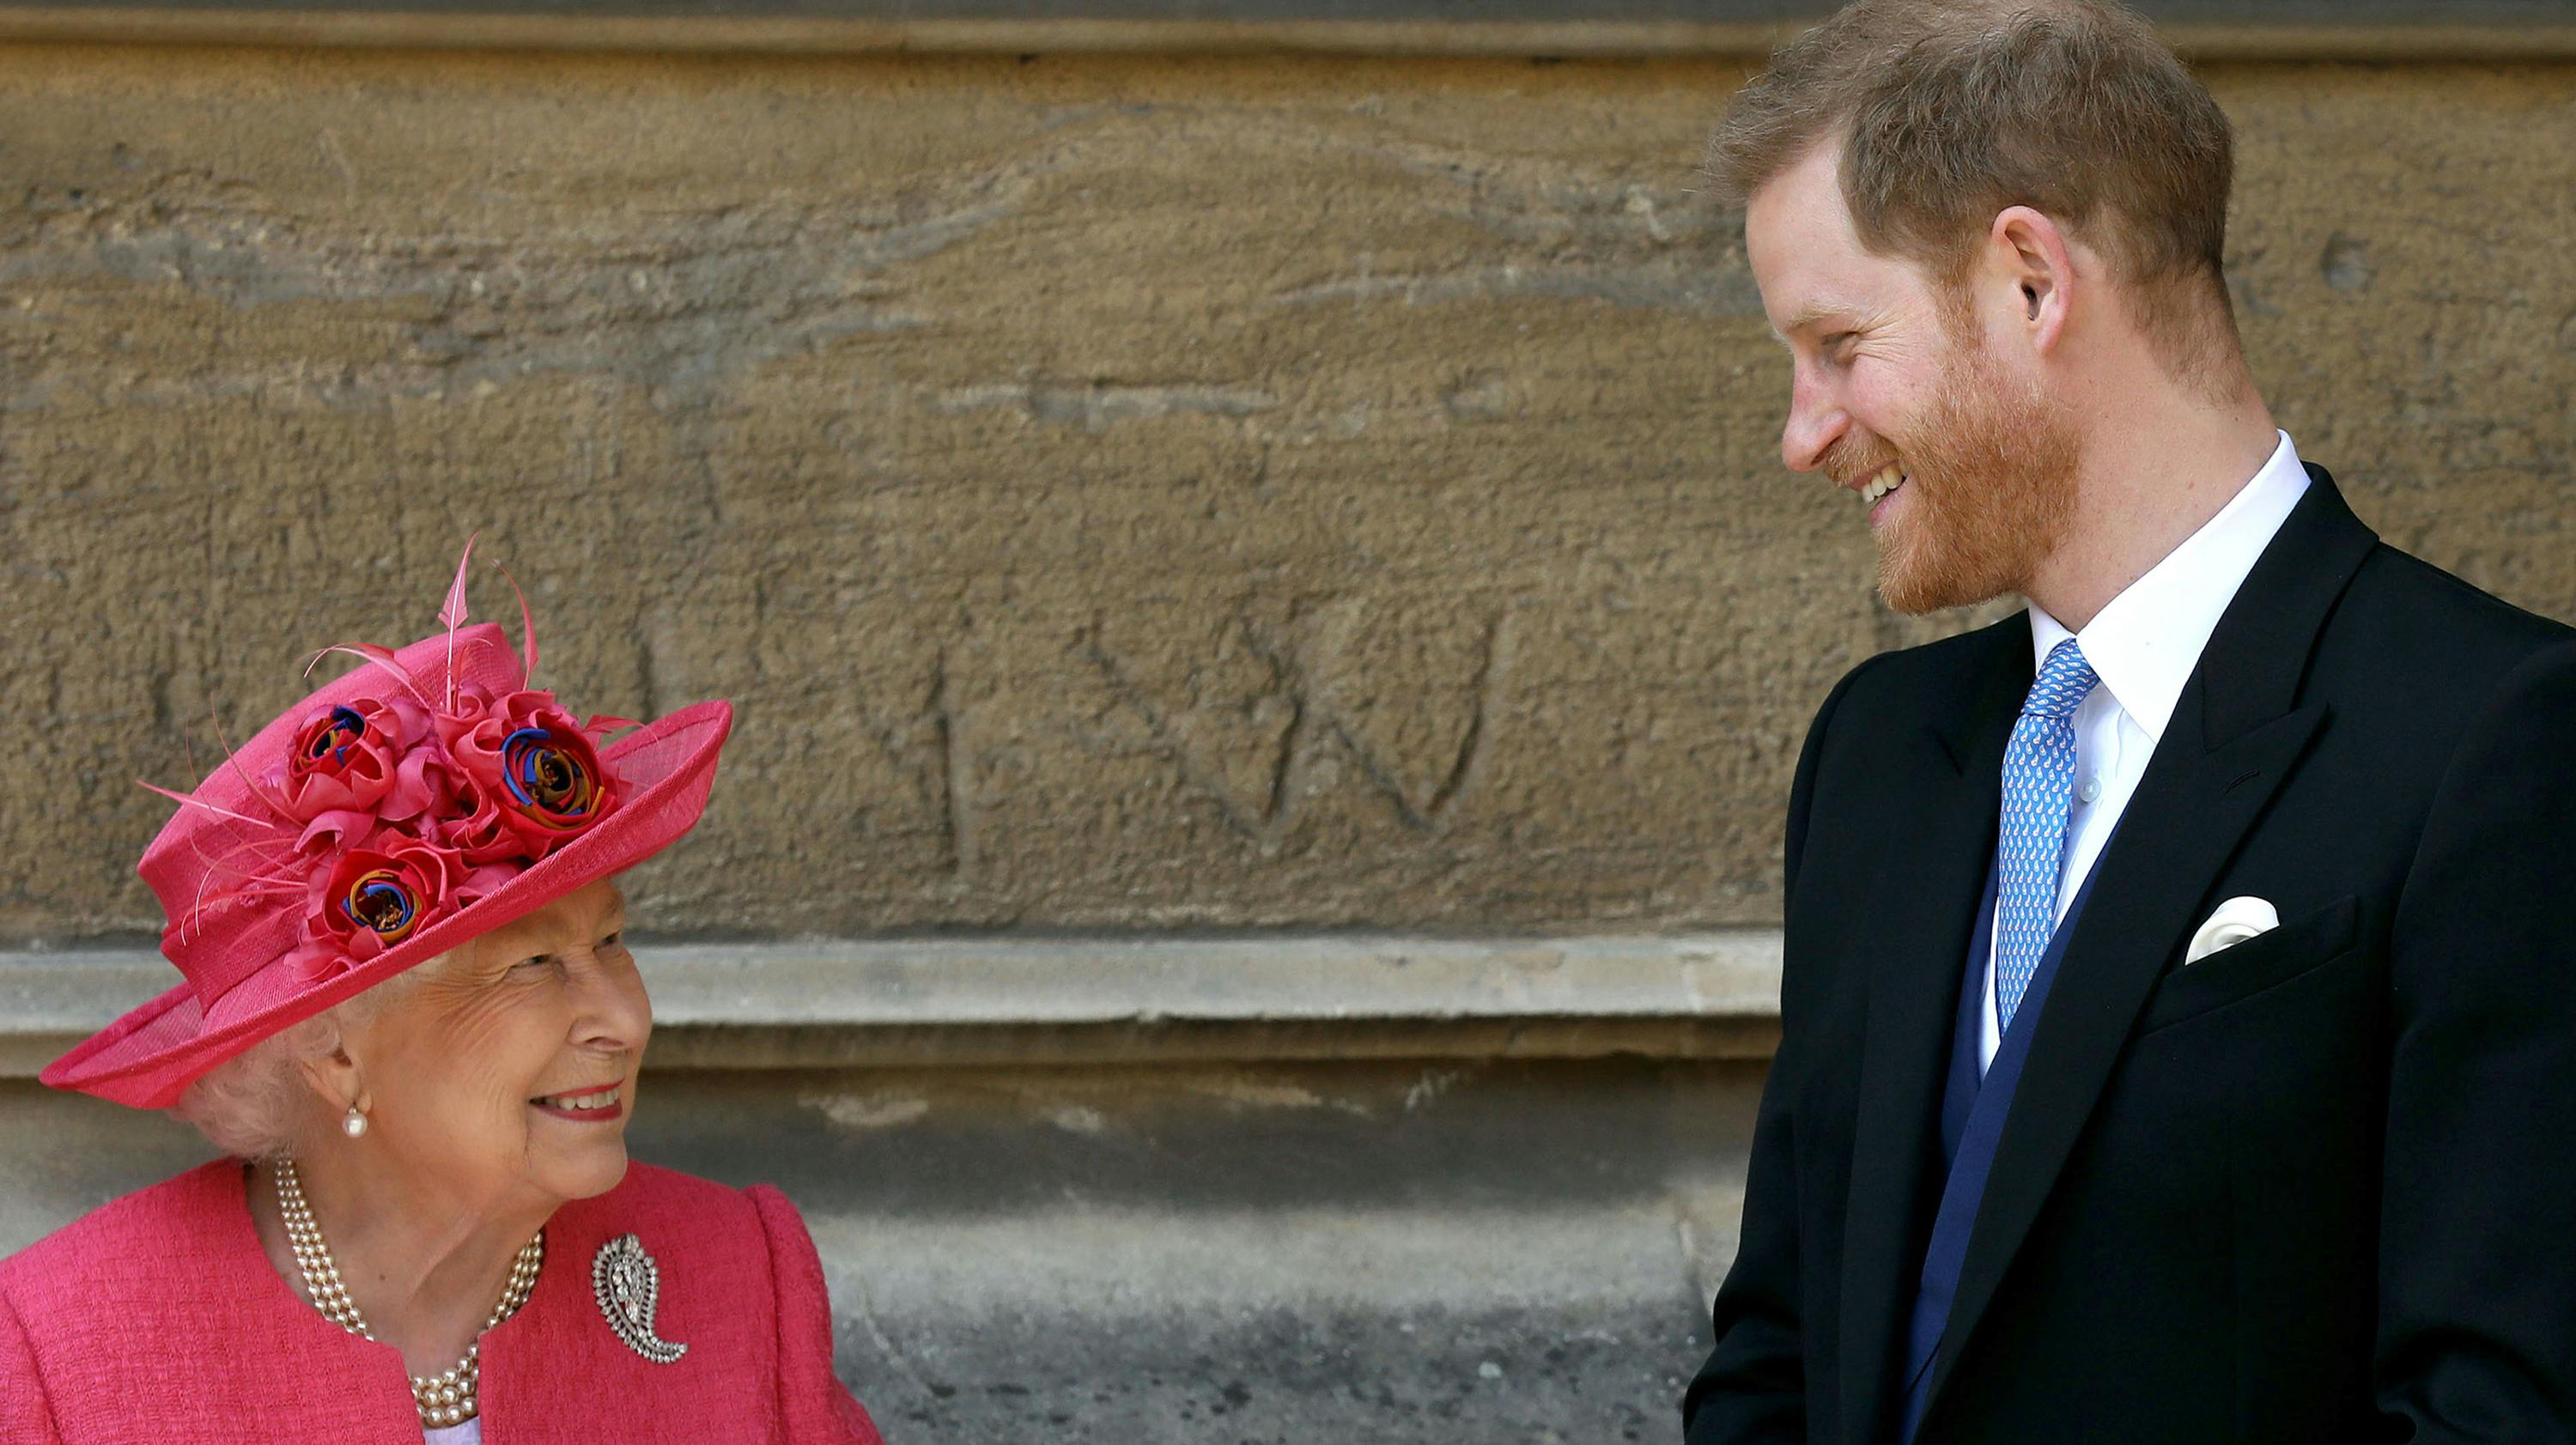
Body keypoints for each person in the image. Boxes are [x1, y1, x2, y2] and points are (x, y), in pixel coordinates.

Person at [1680, 2, 2576, 1442]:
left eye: (1841, 344)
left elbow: (2500, 1410)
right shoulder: (1877, 755)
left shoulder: (2501, 738)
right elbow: (1781, 1341)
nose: (1806, 431)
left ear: (2032, 280)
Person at [0, 549, 886, 1445]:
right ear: (334, 1049)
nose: (626, 1019)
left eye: (610, 942)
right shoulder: (61, 1361)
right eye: (532, 965)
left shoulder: (740, 1274)